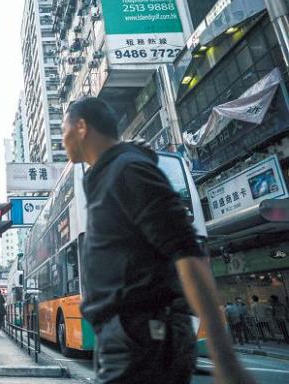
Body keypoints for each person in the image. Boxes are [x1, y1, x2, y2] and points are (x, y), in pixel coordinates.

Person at [62, 98, 255, 384]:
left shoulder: (129, 170)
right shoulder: (107, 175)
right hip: (126, 337)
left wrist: (223, 357)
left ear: (81, 127)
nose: (62, 139)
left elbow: (187, 253)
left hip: (143, 338)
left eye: (64, 129)